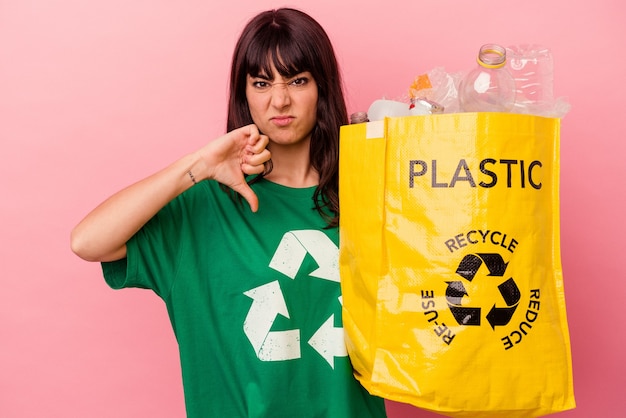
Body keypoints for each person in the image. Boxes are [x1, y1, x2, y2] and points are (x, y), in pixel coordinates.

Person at [70, 7, 387, 418]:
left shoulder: (367, 194)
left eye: (298, 80)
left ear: (321, 88)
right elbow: (87, 241)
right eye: (261, 82)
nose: (280, 99)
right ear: (244, 94)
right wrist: (199, 166)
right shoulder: (204, 208)